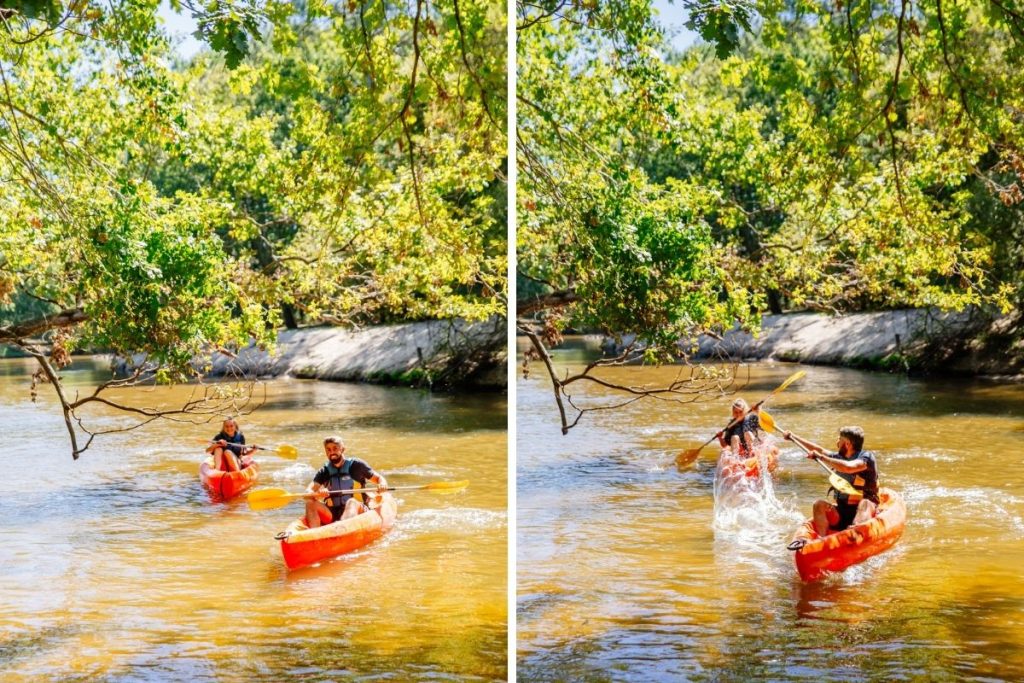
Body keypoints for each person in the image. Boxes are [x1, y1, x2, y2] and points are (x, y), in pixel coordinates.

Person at [784, 426, 879, 536]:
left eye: (839, 439)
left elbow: (849, 467)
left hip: (866, 510)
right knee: (818, 505)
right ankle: (822, 541)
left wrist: (821, 457)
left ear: (847, 444)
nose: (837, 442)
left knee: (865, 503)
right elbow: (819, 450)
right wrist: (793, 437)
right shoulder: (839, 457)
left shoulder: (867, 458)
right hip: (842, 512)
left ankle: (856, 533)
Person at [303, 436, 388, 528]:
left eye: (335, 448)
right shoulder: (325, 471)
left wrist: (382, 484)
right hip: (333, 513)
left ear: (342, 449)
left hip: (358, 510)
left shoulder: (357, 465)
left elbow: (379, 478)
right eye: (328, 450)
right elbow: (308, 492)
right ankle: (315, 534)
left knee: (351, 502)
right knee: (310, 503)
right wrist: (317, 495)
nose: (332, 452)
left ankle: (343, 529)